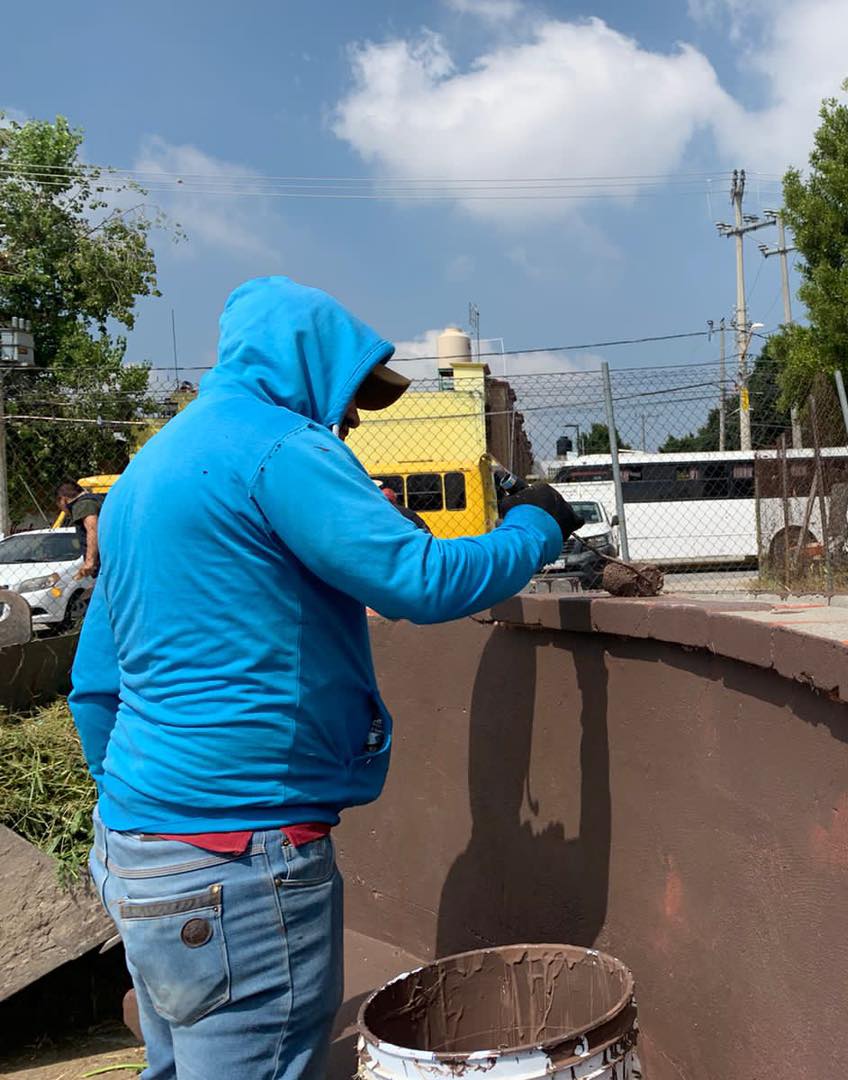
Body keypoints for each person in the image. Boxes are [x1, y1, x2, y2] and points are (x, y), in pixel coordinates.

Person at [70, 276, 581, 1080]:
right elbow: (422, 581)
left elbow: (94, 685)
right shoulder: (280, 447)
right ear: (304, 364)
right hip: (236, 860)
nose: (348, 419)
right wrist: (535, 526)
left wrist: (152, 809)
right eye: (348, 396)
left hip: (135, 847)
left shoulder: (146, 473)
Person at [56, 480, 102, 578]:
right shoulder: (96, 499)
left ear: (63, 500)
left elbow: (93, 530)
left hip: (104, 564)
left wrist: (89, 562)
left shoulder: (83, 505)